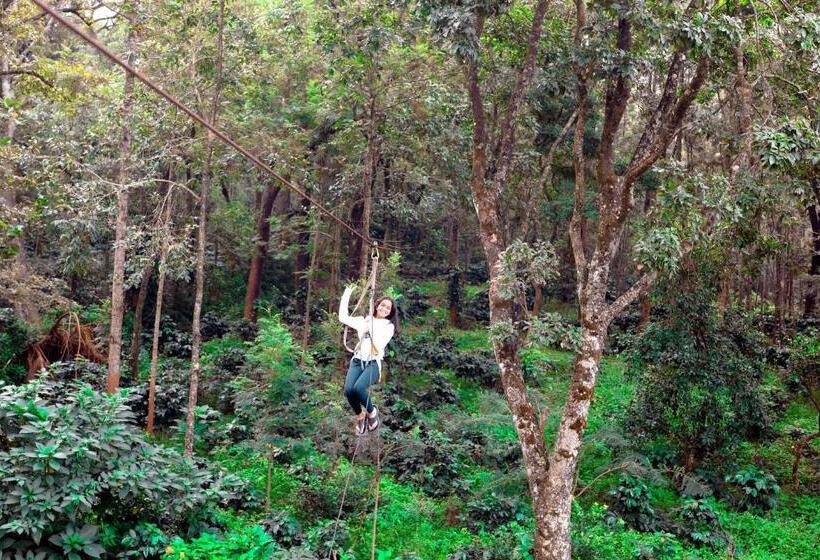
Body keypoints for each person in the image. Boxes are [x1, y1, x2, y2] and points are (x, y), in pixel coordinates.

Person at [338, 283, 399, 435]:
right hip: (358, 361)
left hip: (373, 363)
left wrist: (368, 325)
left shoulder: (388, 326)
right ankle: (360, 415)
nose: (384, 309)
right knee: (349, 391)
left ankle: (372, 413)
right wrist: (347, 294)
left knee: (358, 388)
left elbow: (379, 342)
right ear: (377, 305)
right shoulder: (364, 320)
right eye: (382, 305)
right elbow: (343, 317)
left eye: (388, 308)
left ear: (390, 313)